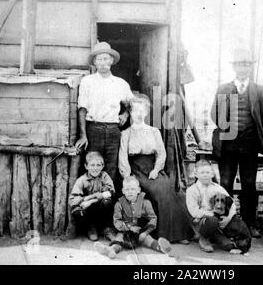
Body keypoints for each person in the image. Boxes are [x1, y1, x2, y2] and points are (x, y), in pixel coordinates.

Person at [210, 48, 263, 238]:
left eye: (246, 64)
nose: (243, 68)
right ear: (234, 67)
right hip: (228, 146)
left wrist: (250, 131)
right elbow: (215, 114)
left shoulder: (258, 90)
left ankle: (248, 224)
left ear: (251, 67)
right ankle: (224, 223)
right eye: (239, 64)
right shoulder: (223, 89)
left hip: (250, 146)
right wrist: (229, 128)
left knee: (249, 184)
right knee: (226, 183)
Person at [118, 95, 194, 243]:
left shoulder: (154, 131)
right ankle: (160, 235)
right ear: (130, 112)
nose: (139, 114)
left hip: (152, 168)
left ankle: (179, 233)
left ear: (146, 112)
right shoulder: (125, 133)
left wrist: (156, 169)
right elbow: (123, 157)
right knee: (157, 192)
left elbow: (161, 153)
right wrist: (127, 177)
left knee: (168, 188)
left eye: (142, 110)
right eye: (135, 110)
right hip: (136, 170)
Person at [75, 41, 134, 194]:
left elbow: (133, 102)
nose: (102, 62)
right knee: (92, 165)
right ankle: (91, 203)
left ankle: (108, 206)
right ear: (94, 62)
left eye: (106, 59)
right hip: (93, 128)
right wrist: (83, 135)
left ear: (111, 61)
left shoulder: (120, 83)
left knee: (111, 168)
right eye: (99, 59)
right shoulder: (87, 81)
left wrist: (126, 114)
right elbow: (82, 109)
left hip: (114, 130)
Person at [94, 176, 176, 259]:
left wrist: (146, 232)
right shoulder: (119, 204)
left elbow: (153, 219)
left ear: (138, 190)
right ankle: (111, 250)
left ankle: (162, 248)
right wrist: (129, 227)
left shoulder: (146, 203)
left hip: (140, 231)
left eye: (133, 189)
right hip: (124, 230)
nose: (130, 192)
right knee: (119, 238)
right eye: (127, 189)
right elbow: (117, 221)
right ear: (123, 191)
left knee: (147, 239)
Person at [186, 160, 237, 253]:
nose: (205, 175)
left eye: (208, 172)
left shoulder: (217, 188)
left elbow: (232, 205)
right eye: (202, 172)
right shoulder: (192, 190)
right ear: (196, 174)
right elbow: (194, 211)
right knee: (212, 220)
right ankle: (203, 238)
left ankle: (215, 235)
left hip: (218, 222)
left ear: (212, 174)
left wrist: (227, 219)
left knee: (229, 245)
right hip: (201, 222)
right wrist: (210, 214)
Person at [68, 152, 116, 241]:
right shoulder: (81, 180)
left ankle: (105, 228)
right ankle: (91, 228)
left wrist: (91, 200)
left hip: (101, 208)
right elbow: (72, 200)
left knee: (107, 202)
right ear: (86, 166)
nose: (95, 168)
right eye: (92, 165)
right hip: (88, 210)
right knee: (77, 212)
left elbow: (111, 193)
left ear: (102, 166)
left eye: (98, 165)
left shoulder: (105, 176)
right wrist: (84, 200)